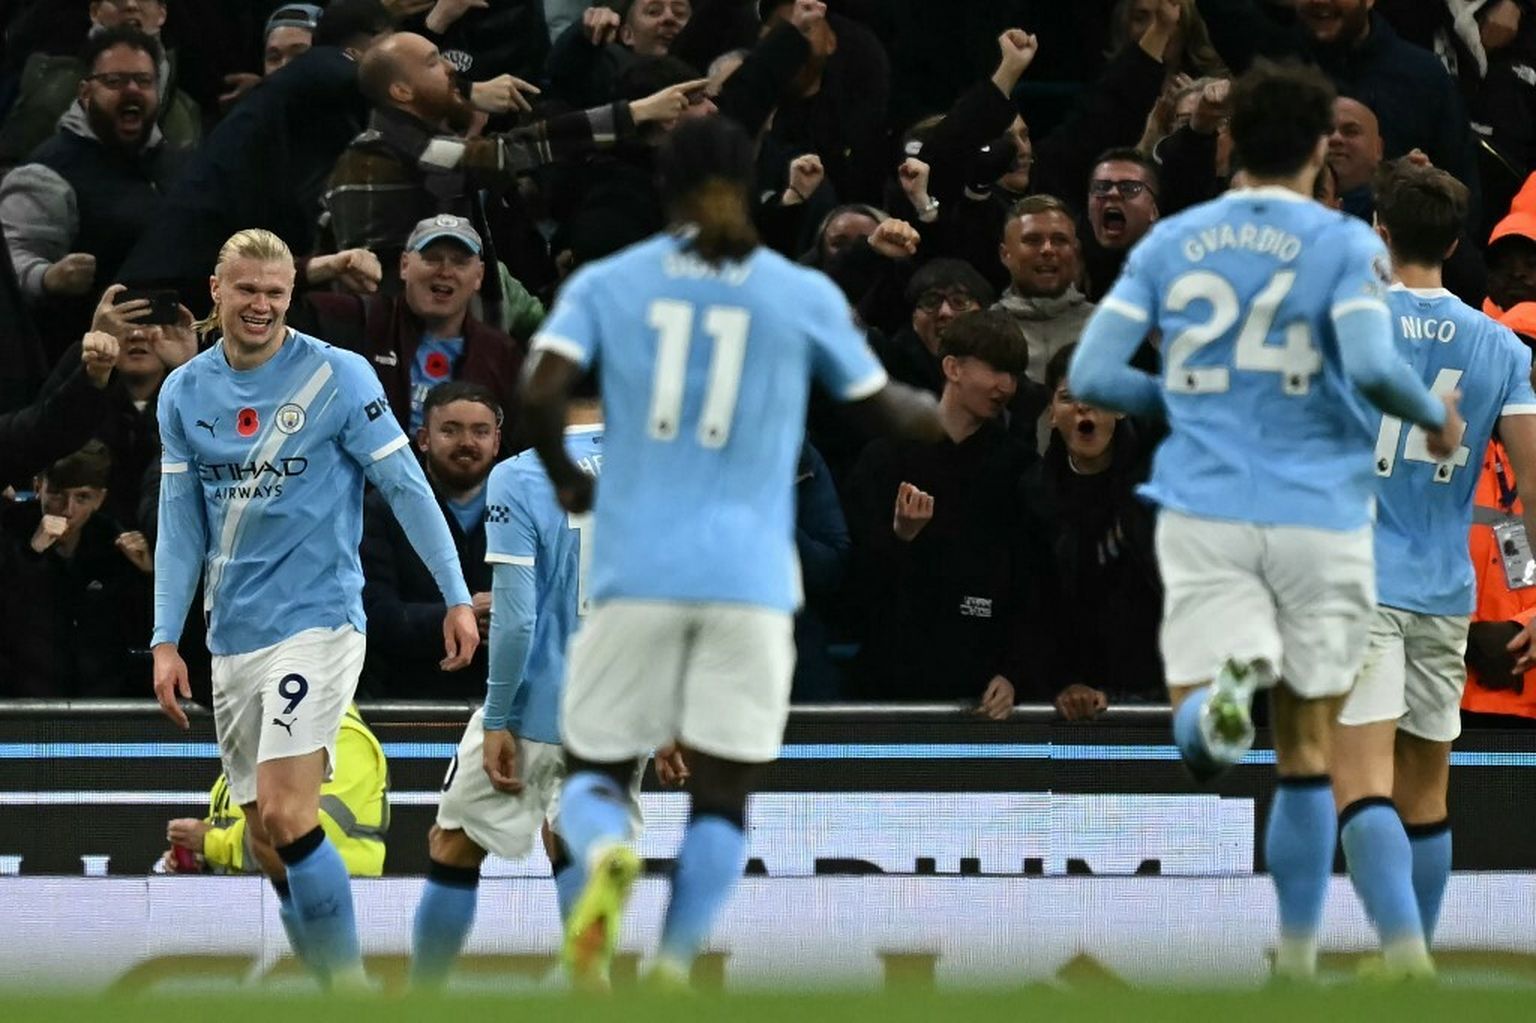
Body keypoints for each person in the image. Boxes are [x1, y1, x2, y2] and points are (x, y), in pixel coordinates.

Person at [518, 116, 942, 989]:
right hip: (750, 578)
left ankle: (604, 859)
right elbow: (884, 407)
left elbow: (540, 389)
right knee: (721, 793)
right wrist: (941, 416)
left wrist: (568, 479)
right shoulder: (795, 290)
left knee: (598, 768)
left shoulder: (611, 282)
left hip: (637, 566)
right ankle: (675, 963)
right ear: (749, 183)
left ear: (663, 187)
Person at [1068, 61, 1462, 982]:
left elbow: (1090, 372)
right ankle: (1296, 957)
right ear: (1322, 145)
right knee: (1307, 756)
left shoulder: (1174, 242)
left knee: (1202, 726)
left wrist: (1180, 397)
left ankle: (1215, 710)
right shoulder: (1341, 243)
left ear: (1229, 142)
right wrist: (1433, 414)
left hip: (1206, 507)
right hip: (1319, 517)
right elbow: (1374, 368)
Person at [150, 227, 480, 988]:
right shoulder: (183, 392)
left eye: (275, 292)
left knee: (289, 812)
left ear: (291, 295)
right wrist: (166, 638)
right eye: (247, 289)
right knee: (266, 838)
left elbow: (406, 488)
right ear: (216, 291)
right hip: (233, 636)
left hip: (320, 621)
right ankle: (329, 979)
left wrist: (456, 593)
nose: (261, 305)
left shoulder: (339, 376)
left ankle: (352, 990)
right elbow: (179, 524)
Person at [1334, 161, 1536, 969]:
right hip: (1445, 592)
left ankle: (1405, 957)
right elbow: (1531, 486)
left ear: (1379, 231)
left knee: (1360, 784)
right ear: (1456, 244)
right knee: (1425, 789)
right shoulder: (1501, 346)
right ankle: (1406, 963)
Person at [409, 390, 675, 987]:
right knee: (577, 844)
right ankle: (589, 978)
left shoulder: (523, 475)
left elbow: (517, 619)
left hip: (537, 704)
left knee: (454, 843)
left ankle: (420, 998)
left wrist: (498, 717)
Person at [845, 310, 1034, 714]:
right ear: (953, 368)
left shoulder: (1018, 467)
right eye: (996, 369)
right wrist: (900, 537)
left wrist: (1014, 671)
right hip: (893, 680)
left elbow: (1033, 583)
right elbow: (855, 586)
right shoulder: (885, 457)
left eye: (1014, 374)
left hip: (983, 684)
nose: (1006, 386)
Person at [0, 26, 191, 350]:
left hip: (174, 354)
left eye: (144, 81)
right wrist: (47, 277)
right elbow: (11, 259)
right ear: (85, 93)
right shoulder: (48, 173)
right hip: (85, 360)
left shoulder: (180, 164)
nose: (132, 90)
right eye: (114, 81)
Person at [361, 382, 500, 699]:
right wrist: (460, 615)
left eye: (480, 432)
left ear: (496, 441)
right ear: (423, 439)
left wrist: (516, 614)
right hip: (404, 703)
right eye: (450, 431)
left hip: (503, 702)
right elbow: (372, 614)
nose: (467, 443)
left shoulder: (525, 511)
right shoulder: (381, 509)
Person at [162, 704, 389, 881]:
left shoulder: (344, 738)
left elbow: (301, 838)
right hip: (258, 902)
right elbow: (239, 817)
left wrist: (211, 843)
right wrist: (201, 854)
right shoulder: (275, 734)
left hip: (328, 908)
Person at [0, 440, 151, 699]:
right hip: (21, 703)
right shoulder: (9, 533)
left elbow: (139, 629)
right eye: (57, 493)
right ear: (38, 487)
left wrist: (148, 575)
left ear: (99, 499)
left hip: (102, 704)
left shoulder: (113, 544)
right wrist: (32, 554)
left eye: (82, 497)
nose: (68, 510)